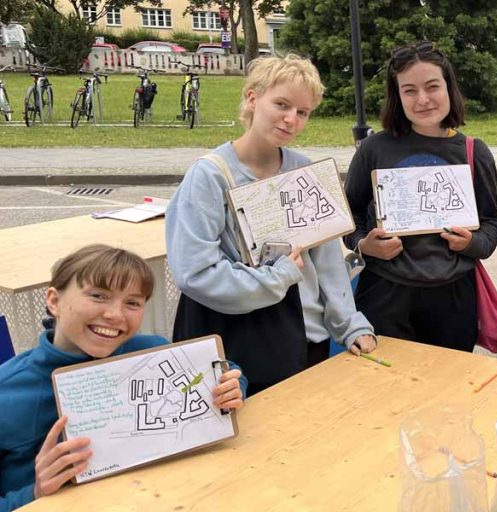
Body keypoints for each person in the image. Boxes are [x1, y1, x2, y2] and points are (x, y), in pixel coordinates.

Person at [167, 55, 376, 395]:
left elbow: (327, 262)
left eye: (303, 112)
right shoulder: (209, 176)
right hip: (235, 341)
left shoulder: (304, 171)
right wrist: (276, 277)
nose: (291, 119)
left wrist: (349, 325)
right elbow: (195, 272)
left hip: (306, 336)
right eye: (281, 104)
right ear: (252, 98)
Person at [0, 245, 247, 511]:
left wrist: (230, 389)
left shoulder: (148, 351)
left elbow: (220, 368)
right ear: (54, 301)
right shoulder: (7, 391)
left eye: (132, 303)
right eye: (98, 295)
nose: (115, 315)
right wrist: (35, 492)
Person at [343, 41, 497, 352]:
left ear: (449, 87)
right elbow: (348, 214)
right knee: (388, 390)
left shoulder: (473, 151)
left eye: (432, 86)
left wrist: (472, 244)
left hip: (454, 296)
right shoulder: (375, 149)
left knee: (448, 389)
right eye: (409, 90)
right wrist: (365, 245)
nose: (423, 99)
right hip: (385, 293)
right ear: (397, 95)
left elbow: (491, 224)